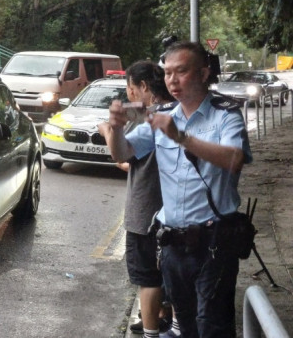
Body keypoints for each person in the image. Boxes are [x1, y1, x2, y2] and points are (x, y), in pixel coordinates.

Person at [103, 41, 252, 338]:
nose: (172, 80)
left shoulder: (225, 114)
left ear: (203, 73)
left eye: (181, 71)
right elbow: (123, 154)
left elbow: (234, 159)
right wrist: (116, 128)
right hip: (173, 245)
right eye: (168, 72)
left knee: (212, 326)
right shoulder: (163, 114)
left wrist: (181, 136)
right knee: (184, 326)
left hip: (214, 243)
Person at [99, 61, 176, 338]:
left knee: (148, 277)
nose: (130, 96)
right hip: (173, 211)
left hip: (147, 211)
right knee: (170, 273)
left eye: (131, 90)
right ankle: (166, 319)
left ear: (144, 87)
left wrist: (109, 129)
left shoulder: (152, 120)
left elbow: (119, 152)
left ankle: (151, 329)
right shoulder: (179, 112)